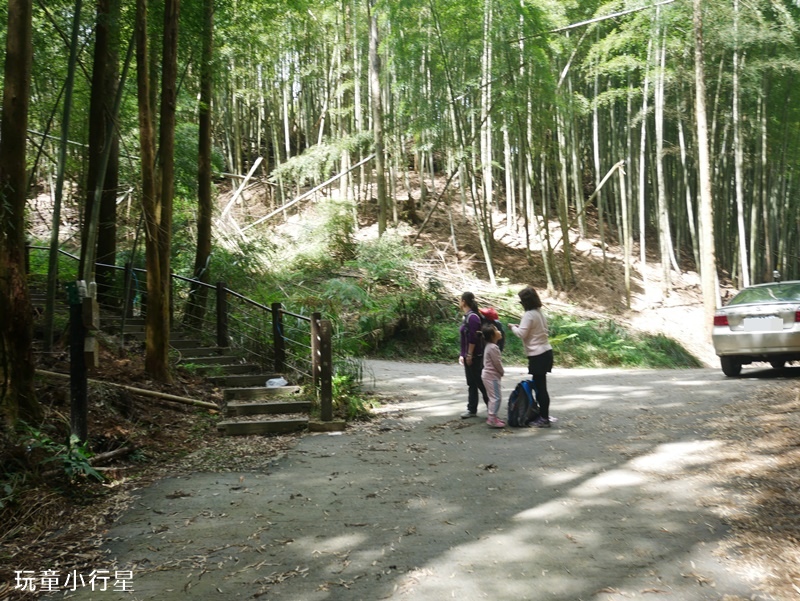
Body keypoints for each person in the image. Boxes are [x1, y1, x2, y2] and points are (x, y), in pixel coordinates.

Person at [509, 286, 554, 427]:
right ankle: (542, 414)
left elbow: (522, 334)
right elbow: (538, 330)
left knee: (540, 388)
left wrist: (513, 328)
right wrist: (520, 327)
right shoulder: (539, 313)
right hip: (546, 351)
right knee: (540, 385)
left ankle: (544, 418)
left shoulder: (529, 315)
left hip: (537, 355)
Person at [459, 291, 488, 418]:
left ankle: (491, 407)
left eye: (460, 300)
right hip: (467, 355)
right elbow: (464, 339)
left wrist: (470, 354)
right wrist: (462, 354)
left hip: (475, 356)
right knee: (471, 383)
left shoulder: (473, 317)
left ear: (464, 301)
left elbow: (473, 338)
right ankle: (472, 409)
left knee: (480, 382)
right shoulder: (467, 316)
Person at [480, 322, 506, 428]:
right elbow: (497, 363)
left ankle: (493, 417)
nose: (499, 331)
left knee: (492, 397)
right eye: (496, 330)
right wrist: (502, 371)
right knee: (496, 398)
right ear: (492, 336)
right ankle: (492, 419)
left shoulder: (489, 346)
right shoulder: (493, 348)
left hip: (488, 375)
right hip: (492, 376)